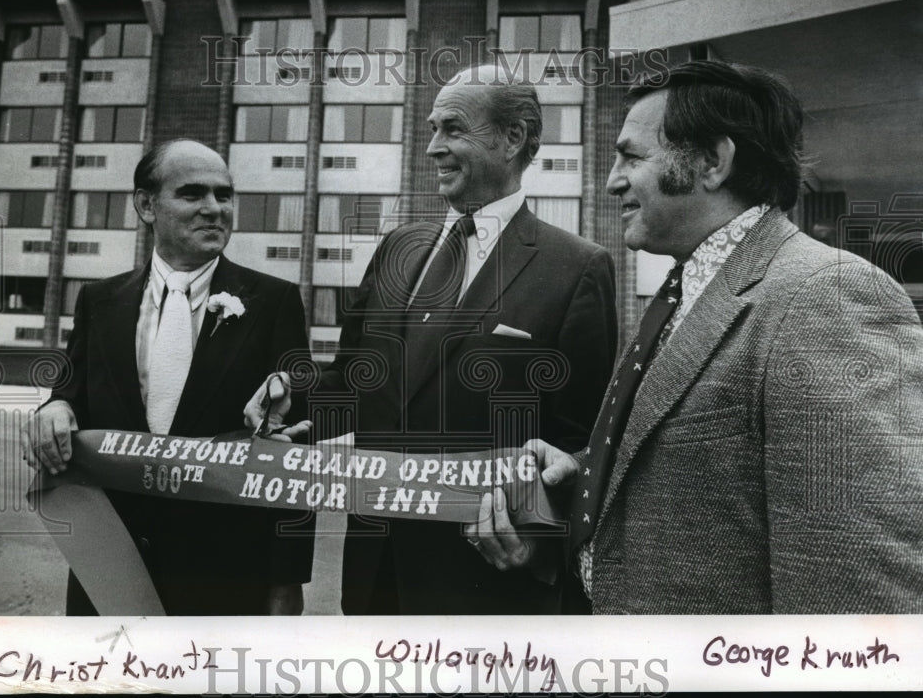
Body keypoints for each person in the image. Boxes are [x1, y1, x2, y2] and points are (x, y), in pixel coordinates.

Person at [467, 59, 923, 613]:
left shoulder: (827, 297)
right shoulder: (685, 294)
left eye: (631, 157)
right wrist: (585, 471)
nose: (613, 181)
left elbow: (858, 593)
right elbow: (709, 475)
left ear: (712, 162)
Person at [248, 65, 618, 614]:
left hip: (486, 584)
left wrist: (540, 540)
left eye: (452, 129)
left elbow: (580, 445)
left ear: (512, 139)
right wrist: (292, 395)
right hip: (376, 574)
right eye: (431, 128)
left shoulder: (578, 267)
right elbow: (356, 379)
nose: (432, 148)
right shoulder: (400, 246)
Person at [21, 138, 314, 615]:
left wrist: (286, 579)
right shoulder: (99, 301)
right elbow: (70, 391)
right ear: (146, 205)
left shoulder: (274, 302)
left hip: (225, 576)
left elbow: (292, 451)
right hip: (110, 568)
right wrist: (54, 406)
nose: (214, 209)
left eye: (224, 195)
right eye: (193, 194)